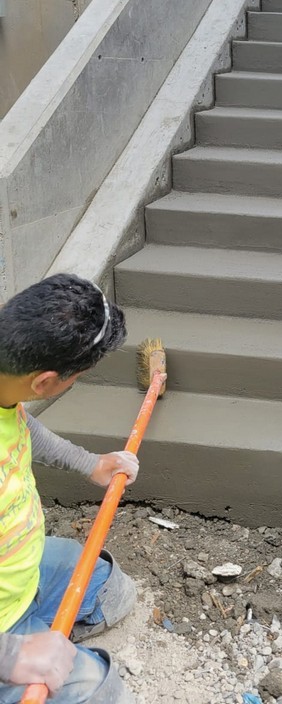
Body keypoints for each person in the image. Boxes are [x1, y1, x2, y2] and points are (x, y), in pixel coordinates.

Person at [0, 275, 140, 703]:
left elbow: (19, 425)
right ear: (45, 383)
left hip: (19, 572)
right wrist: (10, 656)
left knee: (110, 588)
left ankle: (39, 639)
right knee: (102, 691)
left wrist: (91, 463)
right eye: (76, 377)